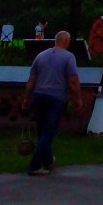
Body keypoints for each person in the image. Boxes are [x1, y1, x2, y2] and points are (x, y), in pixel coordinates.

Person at [20, 30, 82, 176]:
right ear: (66, 42)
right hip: (56, 97)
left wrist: (26, 98)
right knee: (49, 131)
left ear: (56, 40)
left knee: (42, 130)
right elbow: (73, 81)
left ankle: (47, 161)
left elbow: (31, 80)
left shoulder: (41, 56)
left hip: (39, 96)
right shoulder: (68, 57)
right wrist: (78, 98)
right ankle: (35, 165)